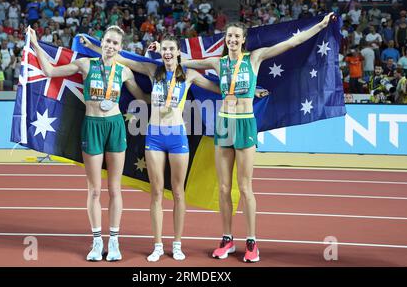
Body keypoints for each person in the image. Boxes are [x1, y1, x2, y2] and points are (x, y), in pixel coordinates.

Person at [181, 13, 335, 262]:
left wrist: (319, 26)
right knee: (222, 188)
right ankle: (227, 238)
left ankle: (252, 241)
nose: (232, 39)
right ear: (225, 40)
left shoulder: (254, 58)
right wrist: (161, 52)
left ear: (243, 40)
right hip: (223, 124)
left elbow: (290, 43)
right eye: (229, 35)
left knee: (245, 187)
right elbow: (184, 61)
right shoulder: (217, 64)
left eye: (236, 36)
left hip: (244, 124)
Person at [82, 33, 225, 262]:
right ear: (160, 52)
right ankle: (158, 245)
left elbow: (217, 88)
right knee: (157, 193)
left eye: (171, 49)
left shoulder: (188, 75)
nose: (168, 53)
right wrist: (94, 46)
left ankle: (177, 244)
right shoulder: (152, 71)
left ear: (178, 52)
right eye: (164, 49)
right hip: (155, 137)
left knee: (178, 192)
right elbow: (119, 58)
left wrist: (250, 92)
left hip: (177, 136)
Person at [29, 25, 149, 262]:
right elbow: (51, 71)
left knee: (115, 189)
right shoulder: (86, 65)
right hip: (92, 125)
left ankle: (114, 241)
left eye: (116, 43)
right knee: (94, 190)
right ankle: (97, 241)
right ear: (101, 42)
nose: (111, 46)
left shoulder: (124, 72)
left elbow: (142, 97)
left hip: (114, 127)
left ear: (120, 48)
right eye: (107, 41)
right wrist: (34, 43)